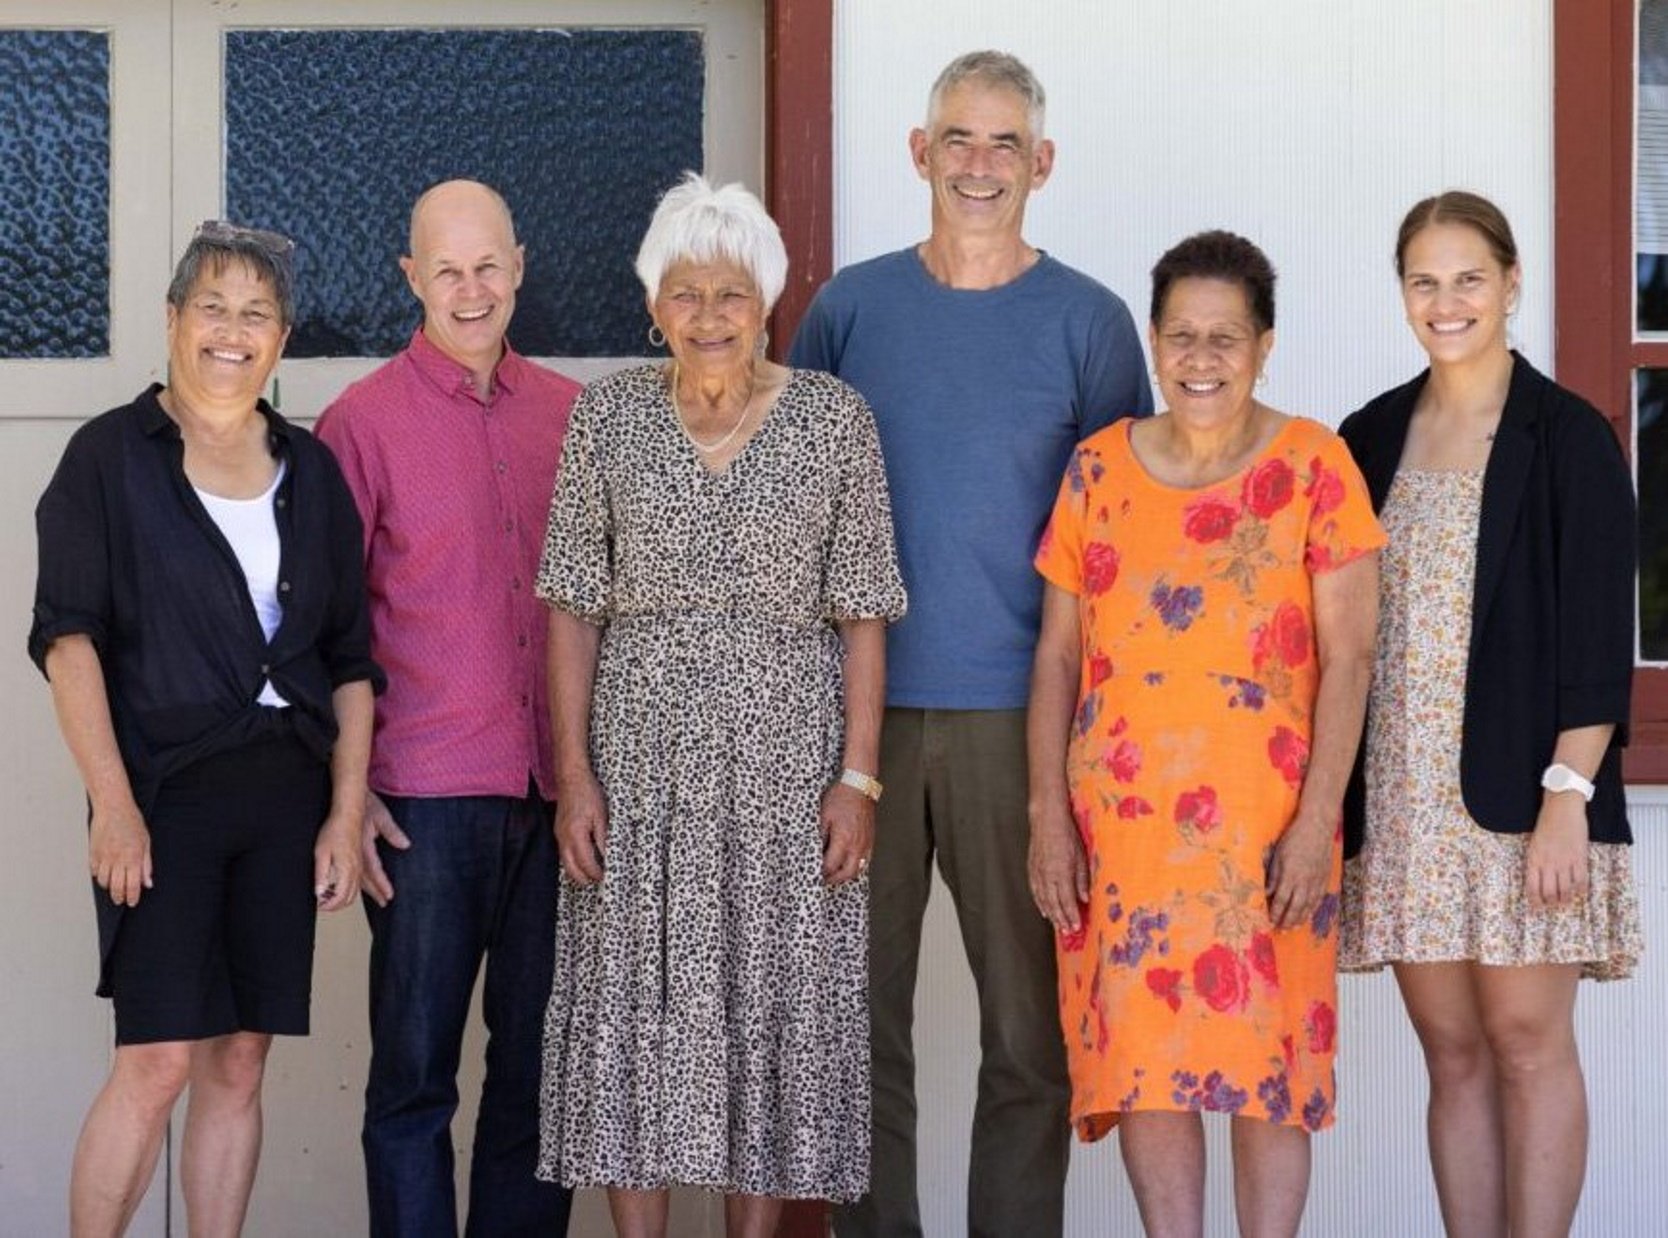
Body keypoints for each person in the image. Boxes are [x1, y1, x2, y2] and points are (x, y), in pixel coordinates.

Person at [788, 50, 1151, 1237]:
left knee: (1028, 1036)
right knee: (852, 1028)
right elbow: (793, 511)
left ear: (1041, 163)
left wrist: (1075, 766)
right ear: (919, 152)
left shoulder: (1090, 323)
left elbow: (1119, 547)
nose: (980, 164)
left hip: (1022, 726)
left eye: (1005, 144)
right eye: (959, 138)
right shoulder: (849, 308)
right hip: (861, 722)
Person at [535, 171, 905, 1238]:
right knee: (633, 1019)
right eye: (685, 293)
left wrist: (859, 776)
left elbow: (865, 614)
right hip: (639, 772)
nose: (709, 317)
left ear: (769, 302)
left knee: (772, 1011)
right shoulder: (605, 418)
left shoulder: (836, 421)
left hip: (791, 773)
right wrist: (574, 779)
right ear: (653, 305)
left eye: (732, 294)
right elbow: (571, 606)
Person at [1029, 230, 1384, 1238]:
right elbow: (1057, 657)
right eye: (1181, 334)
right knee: (1147, 1065)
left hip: (1272, 832)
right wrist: (1046, 814)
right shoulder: (1098, 470)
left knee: (1268, 1069)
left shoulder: (1316, 464)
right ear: (1152, 340)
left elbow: (1351, 659)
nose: (1201, 356)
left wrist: (1319, 820)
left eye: (1225, 336)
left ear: (1265, 344)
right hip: (1125, 835)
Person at [30, 220, 380, 1237]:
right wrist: (112, 804)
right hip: (162, 796)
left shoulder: (311, 474)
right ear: (174, 320)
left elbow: (351, 663)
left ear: (282, 338)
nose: (234, 330)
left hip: (285, 796)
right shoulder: (108, 457)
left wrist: (344, 812)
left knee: (240, 1053)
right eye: (214, 307)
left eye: (257, 313)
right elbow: (70, 641)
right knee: (157, 1057)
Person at [1337, 191, 1643, 1238]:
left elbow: (1603, 639)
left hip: (1528, 793)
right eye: (1425, 280)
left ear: (1513, 284)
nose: (1447, 300)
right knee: (1453, 1050)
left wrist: (1569, 793)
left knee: (1525, 1039)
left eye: (1470, 277)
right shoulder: (1369, 435)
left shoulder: (1569, 437)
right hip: (1408, 794)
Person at [315, 180, 580, 1238]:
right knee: (415, 1084)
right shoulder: (361, 425)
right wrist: (346, 792)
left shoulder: (574, 416)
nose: (470, 290)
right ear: (410, 277)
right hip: (423, 803)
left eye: (488, 266)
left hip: (558, 799)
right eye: (446, 269)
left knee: (538, 1080)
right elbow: (322, 631)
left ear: (519, 264)